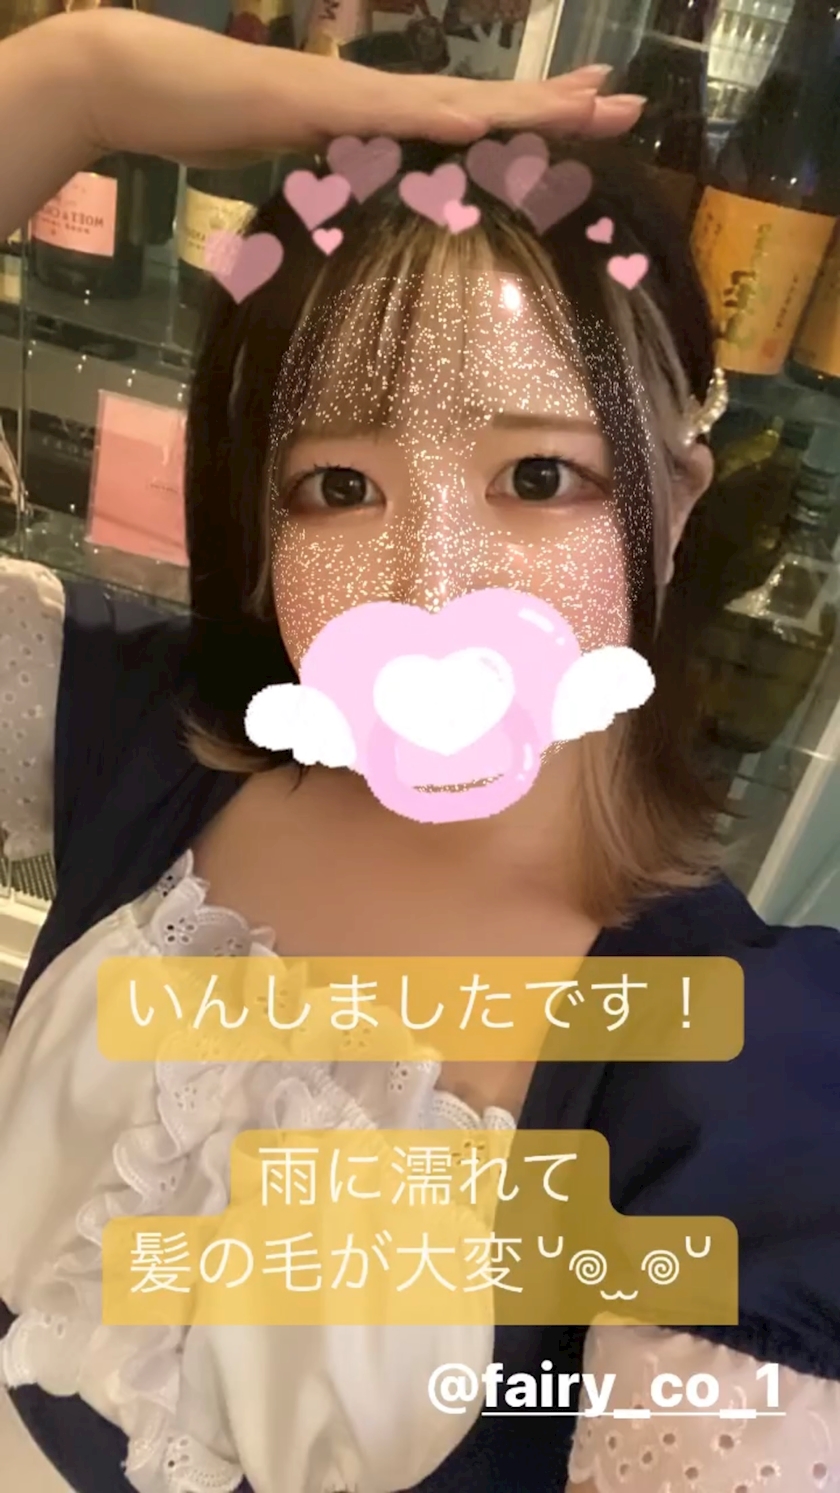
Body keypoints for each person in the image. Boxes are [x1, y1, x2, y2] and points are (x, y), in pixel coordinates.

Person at [0, 8, 838, 1493]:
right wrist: (81, 80)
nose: (432, 585)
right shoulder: (140, 735)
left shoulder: (728, 1065)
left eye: (539, 475)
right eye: (338, 485)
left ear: (680, 502)